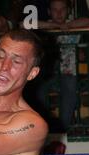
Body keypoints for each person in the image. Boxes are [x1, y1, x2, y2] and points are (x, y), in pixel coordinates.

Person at [36, 0, 89, 131]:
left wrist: (67, 25)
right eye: (55, 9)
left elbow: (87, 21)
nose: (59, 13)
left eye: (62, 9)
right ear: (49, 11)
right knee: (37, 91)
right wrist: (54, 26)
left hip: (69, 72)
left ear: (68, 11)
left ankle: (61, 130)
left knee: (70, 90)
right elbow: (24, 25)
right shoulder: (45, 26)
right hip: (48, 73)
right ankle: (43, 128)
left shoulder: (74, 25)